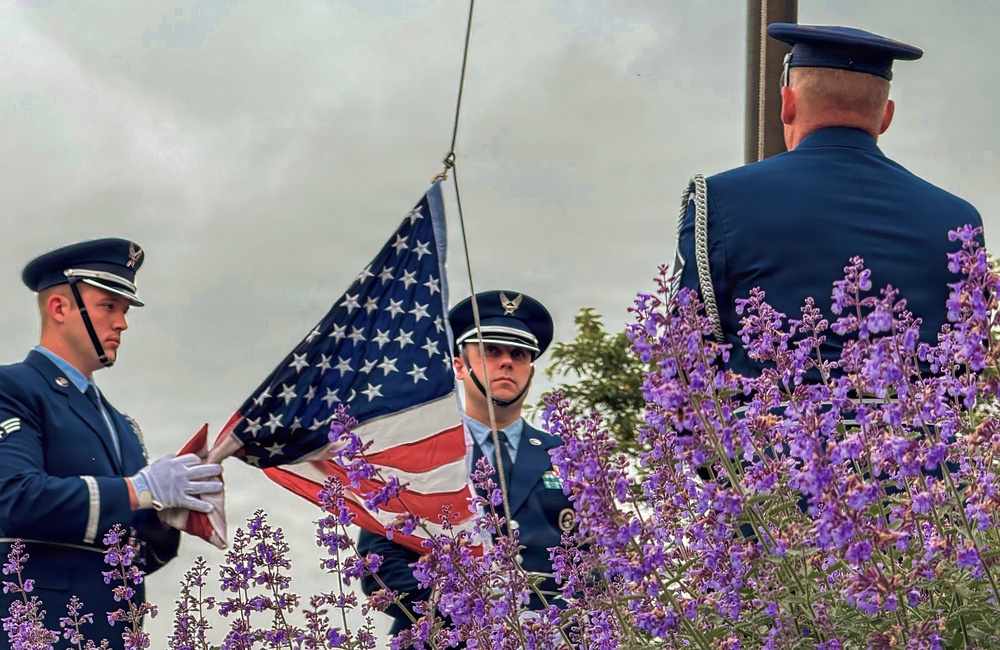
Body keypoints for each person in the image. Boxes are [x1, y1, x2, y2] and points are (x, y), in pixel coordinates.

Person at [673, 23, 985, 379]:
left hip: (774, 416)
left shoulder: (719, 199)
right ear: (886, 116)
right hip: (920, 416)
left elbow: (686, 358)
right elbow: (970, 364)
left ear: (787, 104)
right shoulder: (959, 220)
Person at [0, 238, 224, 648]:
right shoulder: (12, 388)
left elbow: (133, 559)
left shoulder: (123, 425)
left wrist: (167, 516)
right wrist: (139, 490)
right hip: (37, 629)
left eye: (125, 310)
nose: (122, 323)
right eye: (108, 306)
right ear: (59, 308)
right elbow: (14, 500)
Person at [358, 290, 575, 637]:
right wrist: (467, 611)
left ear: (531, 372)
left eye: (519, 354)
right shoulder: (417, 453)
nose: (507, 362)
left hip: (552, 637)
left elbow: (598, 557)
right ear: (459, 366)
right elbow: (379, 564)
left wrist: (554, 622)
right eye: (491, 351)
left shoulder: (566, 456)